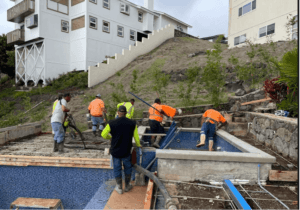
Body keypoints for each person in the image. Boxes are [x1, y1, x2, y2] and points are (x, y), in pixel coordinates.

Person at [101, 105, 141, 195]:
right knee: (128, 168)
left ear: (118, 112)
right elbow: (136, 137)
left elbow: (103, 134)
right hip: (126, 151)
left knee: (117, 168)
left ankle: (119, 187)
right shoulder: (132, 123)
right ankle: (127, 186)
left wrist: (110, 137)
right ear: (126, 113)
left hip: (115, 151)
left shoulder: (111, 123)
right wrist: (139, 145)